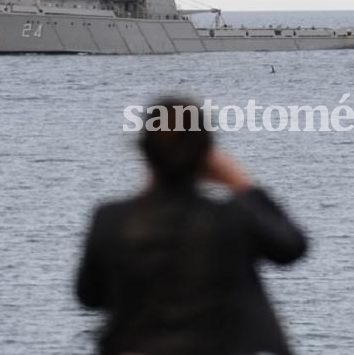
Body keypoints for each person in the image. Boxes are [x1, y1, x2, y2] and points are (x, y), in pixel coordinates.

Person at [76, 97, 308, 355]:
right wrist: (241, 183)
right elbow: (291, 246)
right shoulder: (231, 219)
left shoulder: (111, 219)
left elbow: (89, 296)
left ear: (144, 152)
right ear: (207, 155)